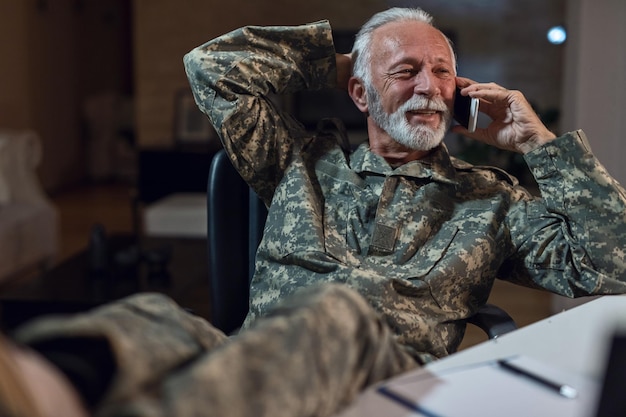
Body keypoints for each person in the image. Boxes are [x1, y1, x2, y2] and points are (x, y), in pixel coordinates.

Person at [2, 6, 626, 417]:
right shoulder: (301, 159)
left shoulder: (491, 198)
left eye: (443, 74)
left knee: (337, 310)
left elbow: (613, 265)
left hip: (388, 384)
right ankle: (38, 386)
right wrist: (348, 60)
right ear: (358, 91)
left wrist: (540, 146)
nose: (430, 87)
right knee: (156, 317)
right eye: (406, 72)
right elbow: (210, 68)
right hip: (258, 365)